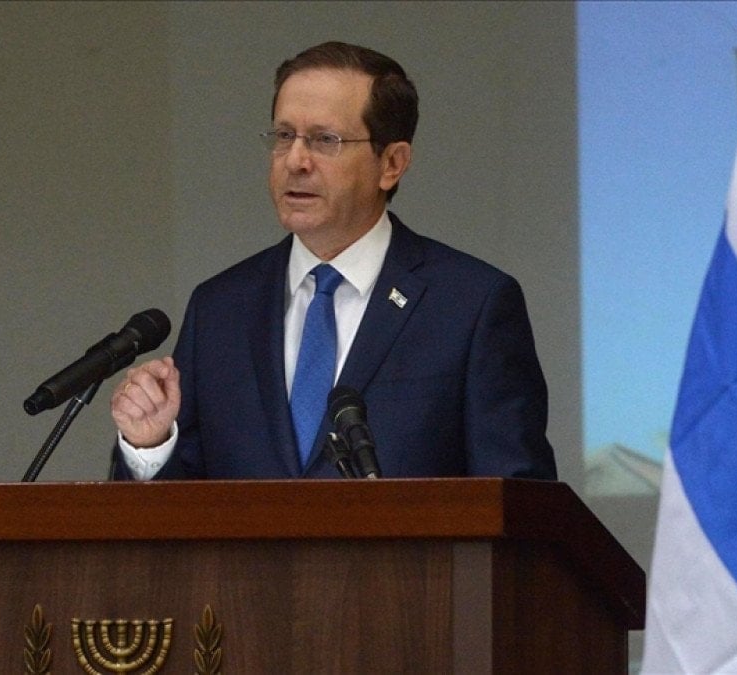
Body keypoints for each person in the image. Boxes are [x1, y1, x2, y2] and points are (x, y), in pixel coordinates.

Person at [109, 41, 556, 481]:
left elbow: (516, 498)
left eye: (326, 140)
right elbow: (181, 501)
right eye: (285, 136)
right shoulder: (220, 308)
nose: (295, 161)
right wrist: (150, 447)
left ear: (392, 163)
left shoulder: (470, 305)